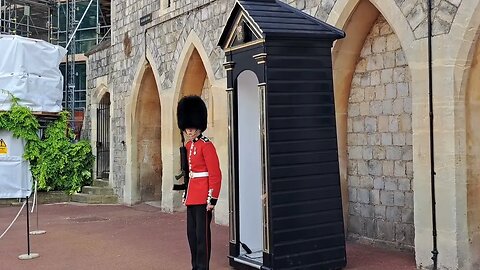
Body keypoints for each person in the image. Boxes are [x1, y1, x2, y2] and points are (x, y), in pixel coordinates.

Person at [177, 95, 222, 270]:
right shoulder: (189, 146)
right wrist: (185, 192)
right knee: (192, 236)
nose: (189, 131)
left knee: (202, 237)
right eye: (187, 128)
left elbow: (215, 174)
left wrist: (212, 199)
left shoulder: (206, 145)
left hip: (204, 197)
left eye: (192, 128)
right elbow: (188, 174)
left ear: (198, 126)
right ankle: (195, 266)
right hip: (192, 197)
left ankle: (203, 267)